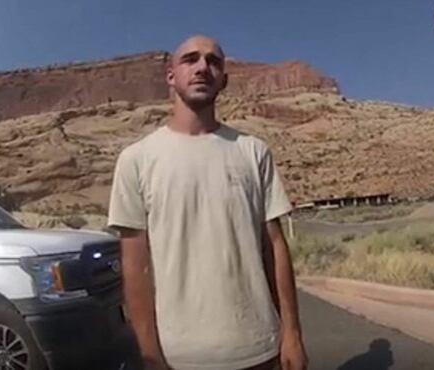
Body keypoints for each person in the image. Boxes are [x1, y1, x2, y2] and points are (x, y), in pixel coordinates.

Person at [108, 35, 308, 370]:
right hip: (179, 358)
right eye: (190, 59)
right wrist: (149, 354)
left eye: (213, 61)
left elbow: (274, 246)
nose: (202, 67)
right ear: (171, 76)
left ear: (224, 80)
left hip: (260, 351)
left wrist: (292, 334)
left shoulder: (252, 151)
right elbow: (135, 268)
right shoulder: (136, 160)